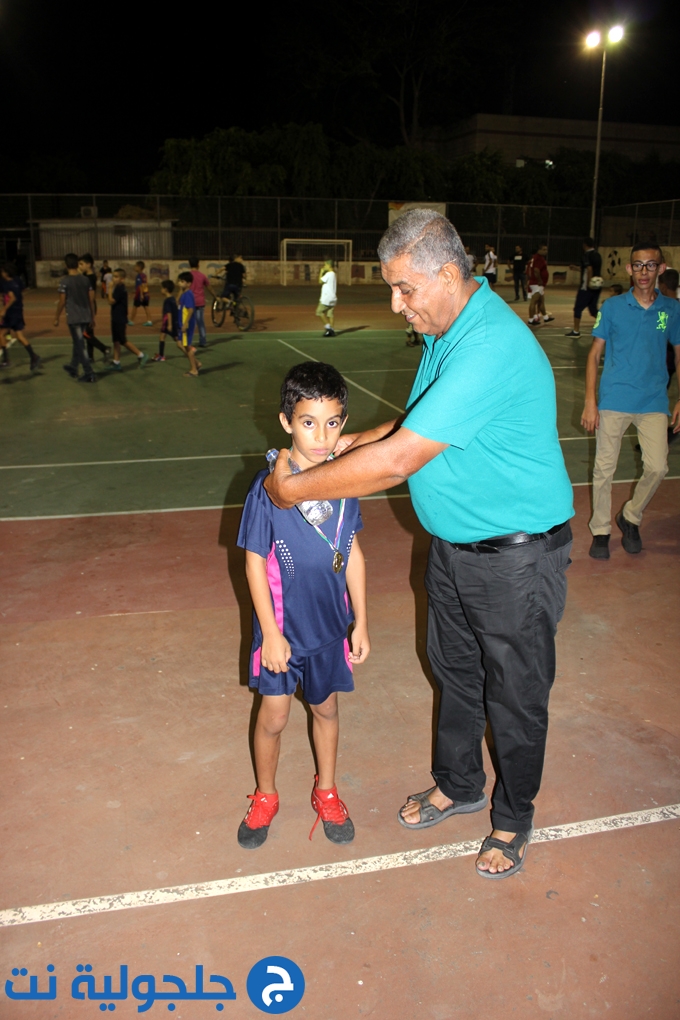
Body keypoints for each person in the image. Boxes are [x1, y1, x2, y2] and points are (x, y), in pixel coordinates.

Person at [265, 208, 574, 879]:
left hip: (515, 559)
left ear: (448, 273)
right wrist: (347, 442)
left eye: (405, 289)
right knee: (456, 674)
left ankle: (513, 816)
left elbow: (400, 460)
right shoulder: (447, 334)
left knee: (514, 694)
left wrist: (293, 489)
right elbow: (417, 423)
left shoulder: (488, 345)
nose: (397, 305)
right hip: (456, 551)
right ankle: (459, 783)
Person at [236, 361, 370, 850]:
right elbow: (253, 563)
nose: (321, 436)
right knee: (273, 717)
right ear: (286, 421)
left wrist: (361, 621)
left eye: (332, 422)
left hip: (329, 629)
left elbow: (351, 551)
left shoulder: (344, 479)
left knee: (326, 711)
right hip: (283, 633)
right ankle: (266, 795)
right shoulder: (269, 488)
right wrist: (270, 634)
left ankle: (327, 790)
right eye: (308, 422)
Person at [581, 244, 680, 559]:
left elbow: (679, 352)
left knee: (658, 466)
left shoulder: (672, 309)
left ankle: (631, 515)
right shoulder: (612, 307)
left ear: (661, 269)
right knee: (603, 469)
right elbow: (595, 354)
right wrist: (590, 401)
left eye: (650, 266)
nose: (643, 272)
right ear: (629, 269)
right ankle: (601, 530)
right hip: (614, 398)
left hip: (653, 400)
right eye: (638, 265)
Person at [54, 252, 97, 383]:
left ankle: (89, 373)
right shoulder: (85, 280)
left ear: (66, 265)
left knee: (80, 345)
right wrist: (92, 317)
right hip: (85, 316)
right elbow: (91, 299)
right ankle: (73, 366)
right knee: (77, 342)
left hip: (74, 317)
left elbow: (62, 301)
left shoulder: (65, 281)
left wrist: (56, 317)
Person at [0, 263, 42, 371]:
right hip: (19, 311)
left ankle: (6, 360)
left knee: (1, 334)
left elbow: (12, 298)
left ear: (6, 272)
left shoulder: (7, 284)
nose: (2, 273)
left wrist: (4, 309)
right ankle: (33, 356)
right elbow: (22, 290)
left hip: (11, 312)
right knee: (19, 336)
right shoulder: (17, 280)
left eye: (3, 271)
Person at [105, 269, 148, 371]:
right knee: (116, 341)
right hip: (115, 317)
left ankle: (141, 355)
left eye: (116, 277)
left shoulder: (120, 289)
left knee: (122, 340)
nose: (114, 279)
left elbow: (111, 301)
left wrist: (109, 289)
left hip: (120, 318)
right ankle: (116, 362)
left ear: (122, 279)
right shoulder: (118, 288)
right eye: (113, 277)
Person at [565, 237, 603, 338]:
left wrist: (588, 285)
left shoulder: (586, 255)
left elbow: (589, 269)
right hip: (597, 286)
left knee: (578, 308)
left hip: (587, 287)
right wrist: (576, 268)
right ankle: (607, 326)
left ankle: (576, 331)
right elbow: (588, 269)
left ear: (585, 245)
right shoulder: (597, 255)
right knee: (593, 309)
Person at [79, 254, 110, 363]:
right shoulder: (84, 275)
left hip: (88, 306)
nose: (80, 266)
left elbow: (91, 298)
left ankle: (104, 348)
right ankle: (90, 357)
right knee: (89, 333)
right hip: (85, 306)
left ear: (89, 264)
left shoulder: (90, 278)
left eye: (81, 264)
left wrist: (92, 315)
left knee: (84, 333)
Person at [177, 271, 201, 377]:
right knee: (182, 344)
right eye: (179, 281)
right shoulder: (184, 294)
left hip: (186, 325)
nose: (180, 283)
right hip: (183, 324)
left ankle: (194, 370)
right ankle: (197, 364)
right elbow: (177, 302)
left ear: (189, 283)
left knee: (187, 347)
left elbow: (191, 310)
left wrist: (185, 324)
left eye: (182, 281)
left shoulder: (188, 295)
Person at [188, 257, 217, 348]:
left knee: (188, 322)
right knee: (200, 322)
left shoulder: (187, 276)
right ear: (198, 265)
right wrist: (215, 296)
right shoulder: (202, 276)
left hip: (190, 302)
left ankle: (188, 341)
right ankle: (203, 340)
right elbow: (209, 288)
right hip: (200, 302)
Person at [526, 244, 554, 325]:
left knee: (541, 301)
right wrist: (540, 280)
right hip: (537, 284)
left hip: (537, 284)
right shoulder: (539, 258)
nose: (546, 251)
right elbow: (536, 270)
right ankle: (531, 319)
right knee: (534, 302)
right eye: (544, 249)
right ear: (539, 250)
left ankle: (545, 317)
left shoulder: (536, 258)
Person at [153, 279, 178, 362]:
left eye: (162, 288)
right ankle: (161, 354)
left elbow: (169, 313)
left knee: (163, 337)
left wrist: (169, 324)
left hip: (167, 322)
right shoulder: (173, 299)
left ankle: (161, 356)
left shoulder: (167, 301)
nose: (161, 290)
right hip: (173, 322)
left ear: (166, 289)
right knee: (175, 337)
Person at [316, 260, 337, 337]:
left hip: (326, 298)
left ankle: (328, 328)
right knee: (330, 314)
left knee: (319, 312)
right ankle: (332, 331)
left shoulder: (328, 274)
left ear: (329, 265)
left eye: (325, 265)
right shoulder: (334, 274)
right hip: (333, 297)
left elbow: (320, 281)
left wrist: (321, 272)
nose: (324, 267)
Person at [129, 260, 152, 327]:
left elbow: (141, 285)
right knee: (146, 307)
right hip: (145, 294)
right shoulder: (144, 275)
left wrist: (141, 295)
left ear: (139, 267)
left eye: (136, 266)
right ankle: (149, 321)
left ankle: (131, 321)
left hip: (140, 295)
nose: (135, 267)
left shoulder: (139, 276)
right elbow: (144, 285)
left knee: (135, 307)